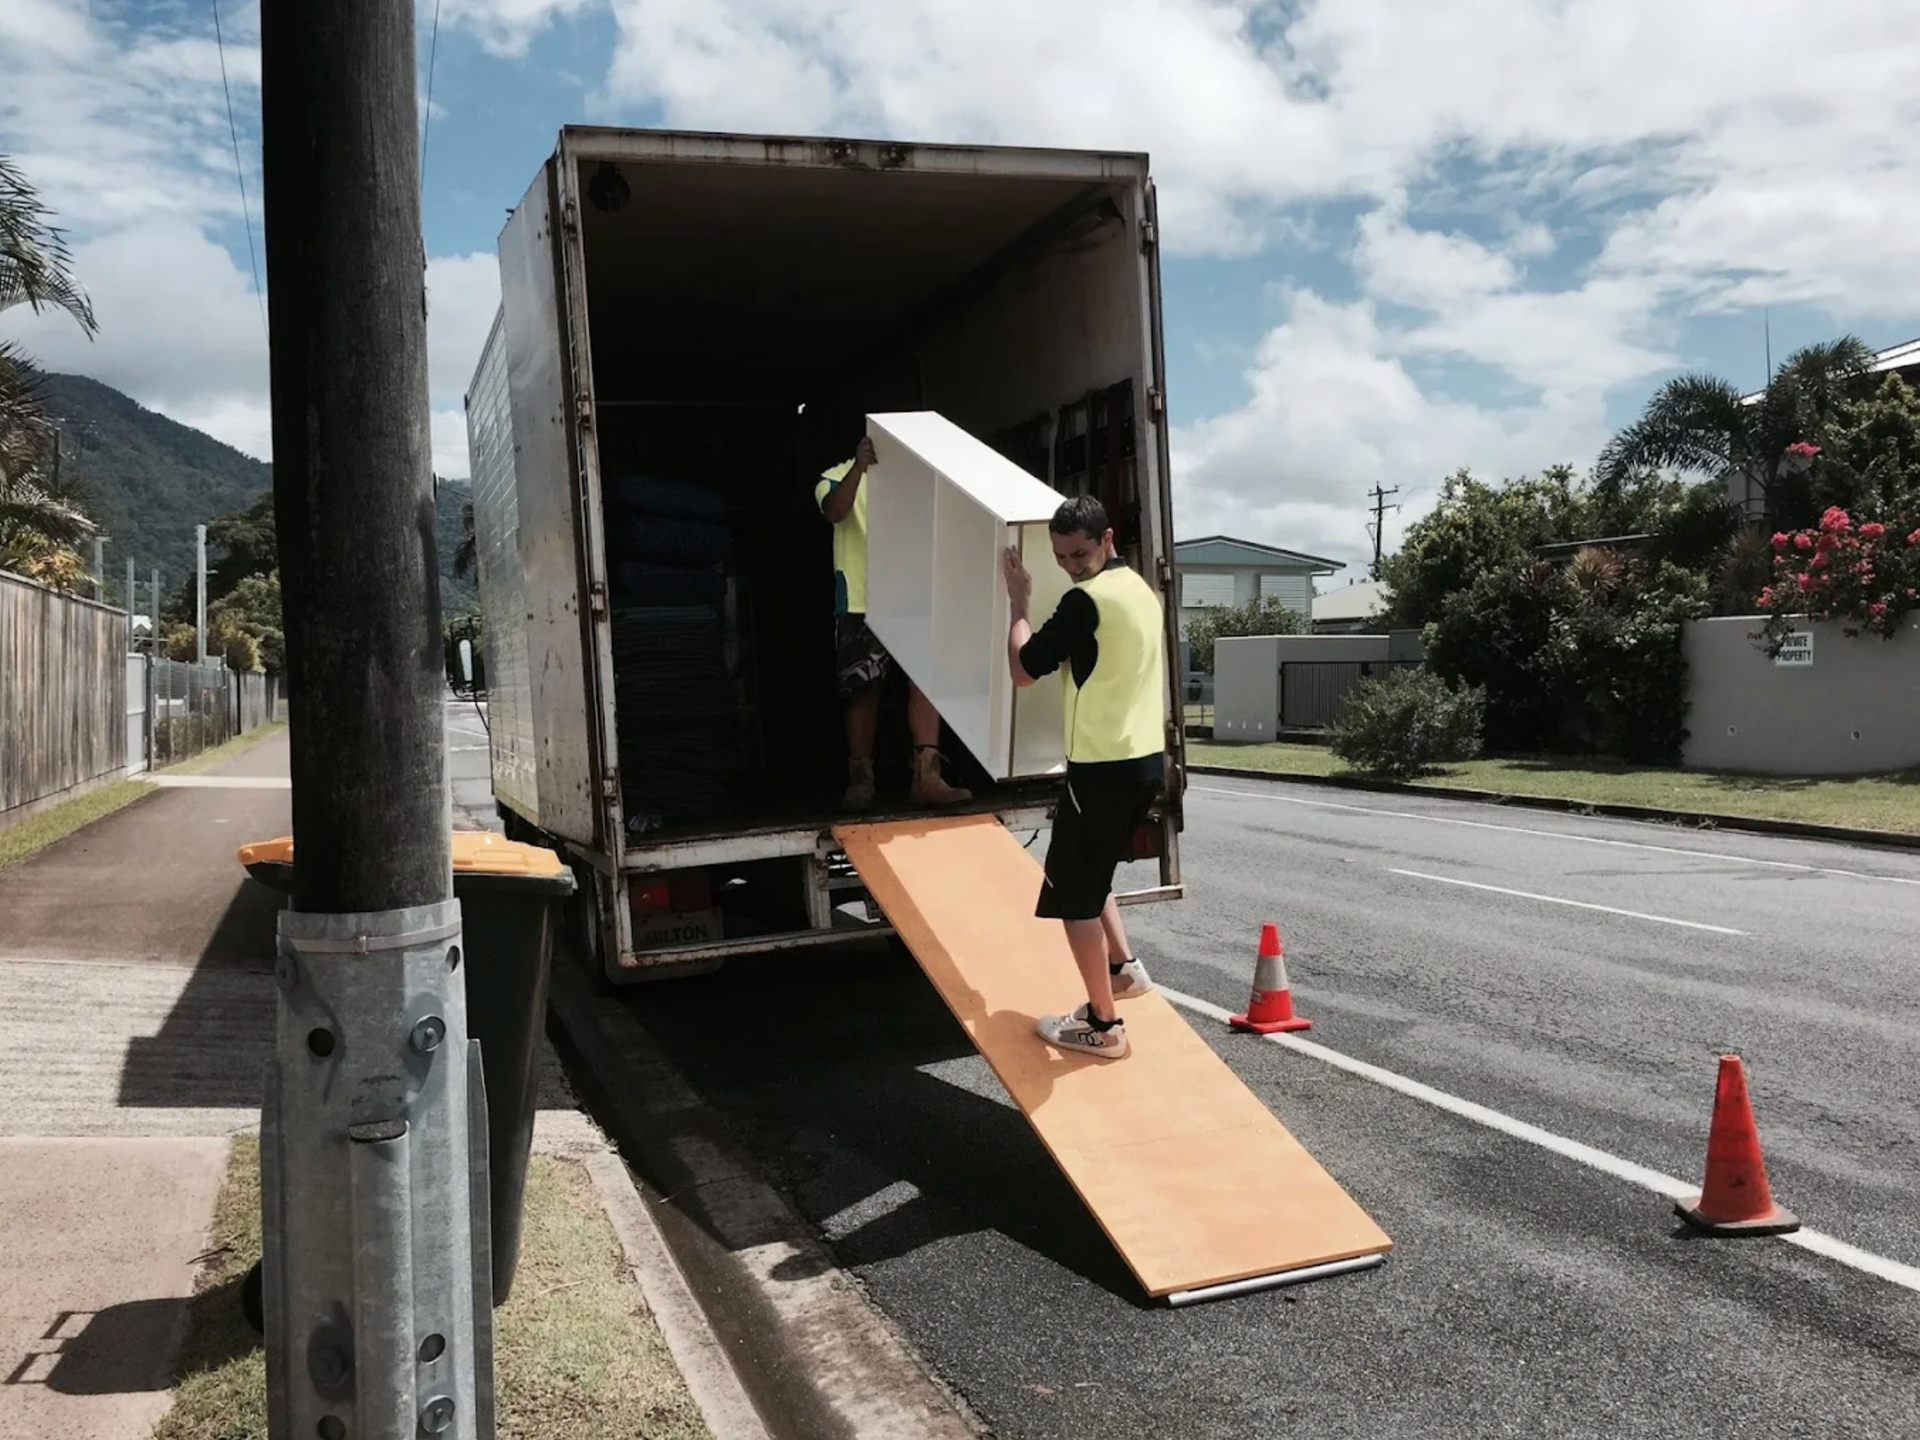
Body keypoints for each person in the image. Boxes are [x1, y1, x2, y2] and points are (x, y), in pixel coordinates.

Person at [1001, 494, 1166, 1061]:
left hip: (1101, 768)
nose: (1071, 565)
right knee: (1093, 874)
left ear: (1107, 538)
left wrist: (1018, 604)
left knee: (1073, 894)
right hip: (1144, 760)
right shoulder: (1139, 590)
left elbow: (1023, 671)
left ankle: (1103, 1025)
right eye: (1062, 557)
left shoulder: (1085, 602)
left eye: (1079, 553)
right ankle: (1123, 970)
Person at [816, 434, 971, 811]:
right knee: (862, 688)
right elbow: (834, 511)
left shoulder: (917, 481)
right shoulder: (834, 475)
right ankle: (861, 780)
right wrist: (859, 467)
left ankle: (927, 777)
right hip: (860, 600)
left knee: (925, 684)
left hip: (913, 598)